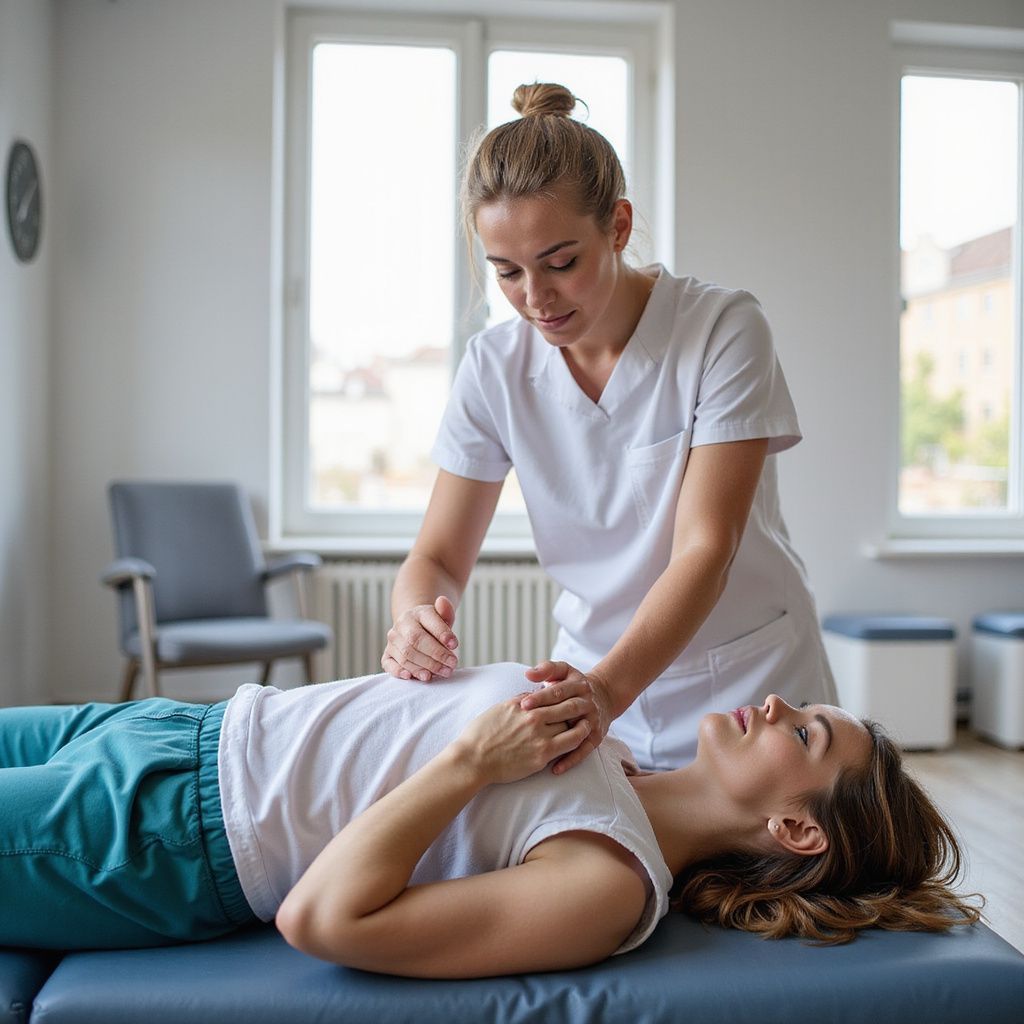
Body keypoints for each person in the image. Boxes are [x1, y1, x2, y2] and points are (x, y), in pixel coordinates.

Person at [382, 82, 837, 773]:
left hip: (746, 691)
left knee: (766, 880)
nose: (536, 299)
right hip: (591, 692)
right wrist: (414, 616)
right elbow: (438, 559)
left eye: (560, 263)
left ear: (618, 227)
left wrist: (606, 691)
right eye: (506, 272)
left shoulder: (721, 330)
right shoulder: (493, 368)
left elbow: (705, 548)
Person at [0, 664, 979, 977]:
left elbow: (324, 920)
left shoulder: (608, 880)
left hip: (169, 830)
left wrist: (467, 762)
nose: (774, 706)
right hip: (181, 726)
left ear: (795, 831)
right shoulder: (615, 735)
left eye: (803, 734)